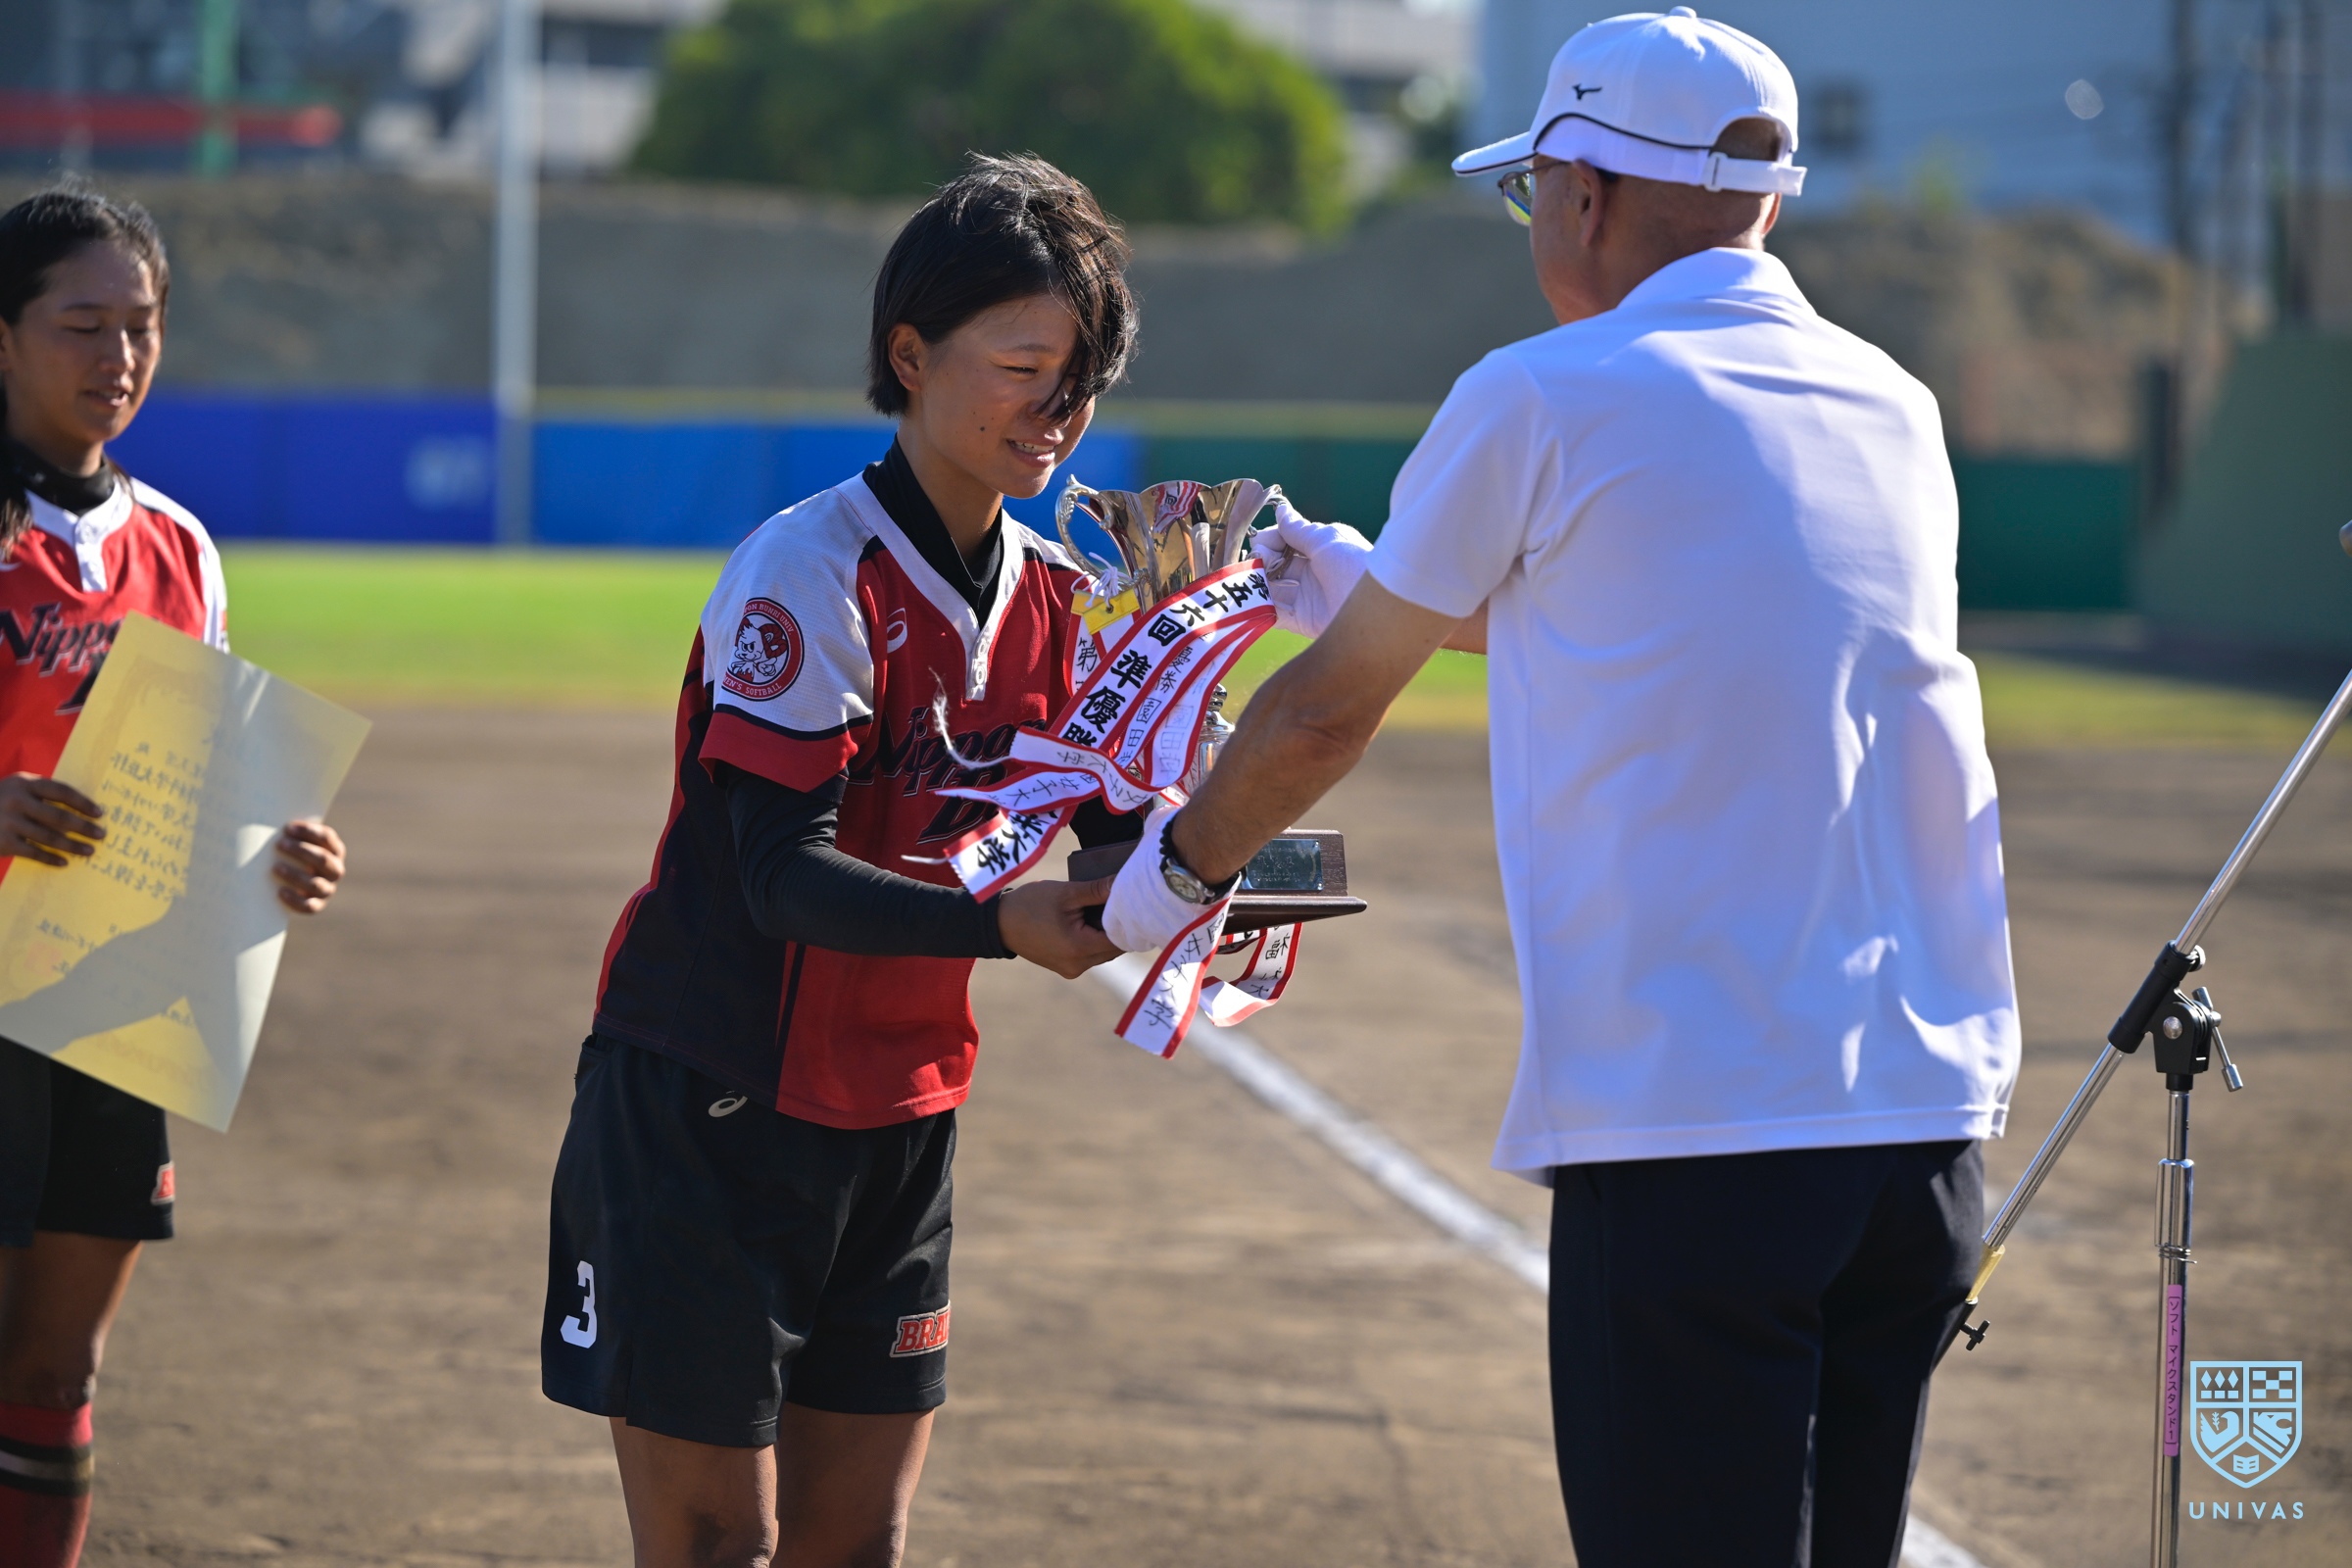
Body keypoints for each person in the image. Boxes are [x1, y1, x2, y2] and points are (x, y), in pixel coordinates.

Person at [1102, 11, 2020, 1565]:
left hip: (1697, 1133)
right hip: (1919, 1141)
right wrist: (1368, 579)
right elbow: (1653, 605)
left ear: (1586, 191)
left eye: (1534, 191)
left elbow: (1322, 718)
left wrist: (1161, 883)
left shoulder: (1540, 392)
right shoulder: (1895, 406)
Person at [541, 153, 1128, 1568]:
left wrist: (1225, 842)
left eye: (1080, 379)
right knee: (714, 1548)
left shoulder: (1065, 597)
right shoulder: (813, 570)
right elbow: (778, 876)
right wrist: (1003, 925)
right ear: (909, 356)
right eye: (1024, 367)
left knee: (856, 1548)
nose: (1056, 410)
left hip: (903, 1117)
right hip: (712, 1099)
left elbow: (1126, 847)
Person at [0, 188, 350, 1568]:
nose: (120, 356)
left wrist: (276, 853)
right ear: (5, 337)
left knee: (57, 1368)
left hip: (110, 993)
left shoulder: (179, 546)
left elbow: (192, 786)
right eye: (81, 324)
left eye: (141, 325)